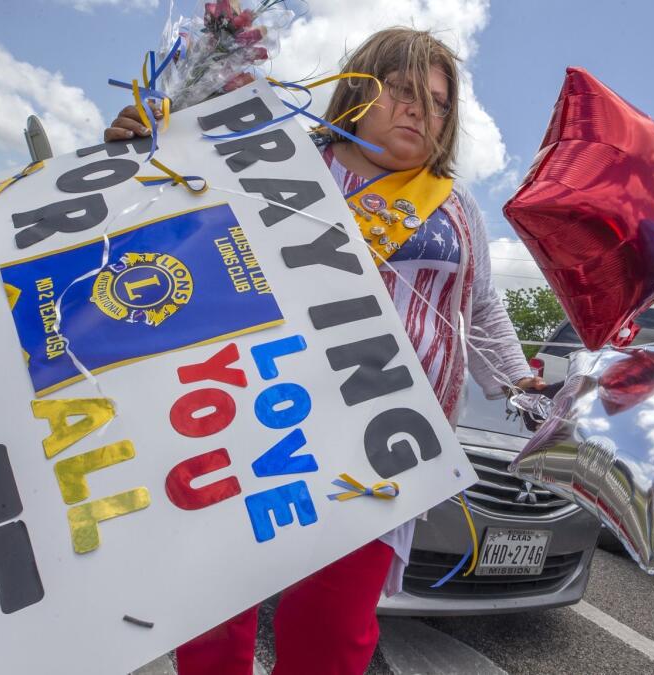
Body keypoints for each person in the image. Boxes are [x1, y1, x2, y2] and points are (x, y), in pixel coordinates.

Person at [105, 27, 544, 675]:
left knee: (333, 633)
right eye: (402, 91)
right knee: (215, 612)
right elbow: (170, 223)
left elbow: (480, 312)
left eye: (440, 102)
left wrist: (523, 387)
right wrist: (138, 152)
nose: (423, 111)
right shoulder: (283, 159)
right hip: (254, 423)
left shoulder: (455, 209)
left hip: (378, 451)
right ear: (360, 90)